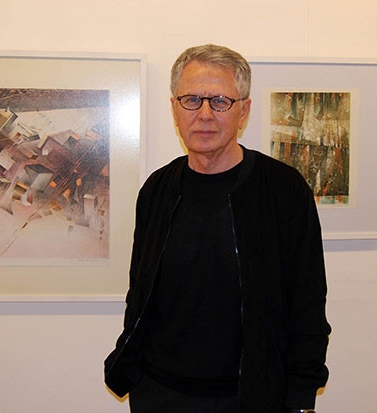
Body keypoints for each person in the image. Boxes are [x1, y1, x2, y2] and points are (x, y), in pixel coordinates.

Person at [104, 44, 331, 413]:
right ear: (174, 109)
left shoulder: (284, 190)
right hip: (159, 394)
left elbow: (307, 300)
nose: (205, 114)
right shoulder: (157, 189)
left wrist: (301, 394)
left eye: (220, 101)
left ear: (244, 110)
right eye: (192, 100)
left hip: (251, 397)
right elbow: (140, 289)